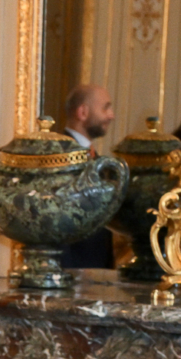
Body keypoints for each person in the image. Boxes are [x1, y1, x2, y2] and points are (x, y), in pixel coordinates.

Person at [60, 84, 116, 268]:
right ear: (83, 112)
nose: (111, 115)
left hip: (96, 267)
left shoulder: (94, 156)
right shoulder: (60, 154)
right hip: (71, 267)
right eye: (105, 108)